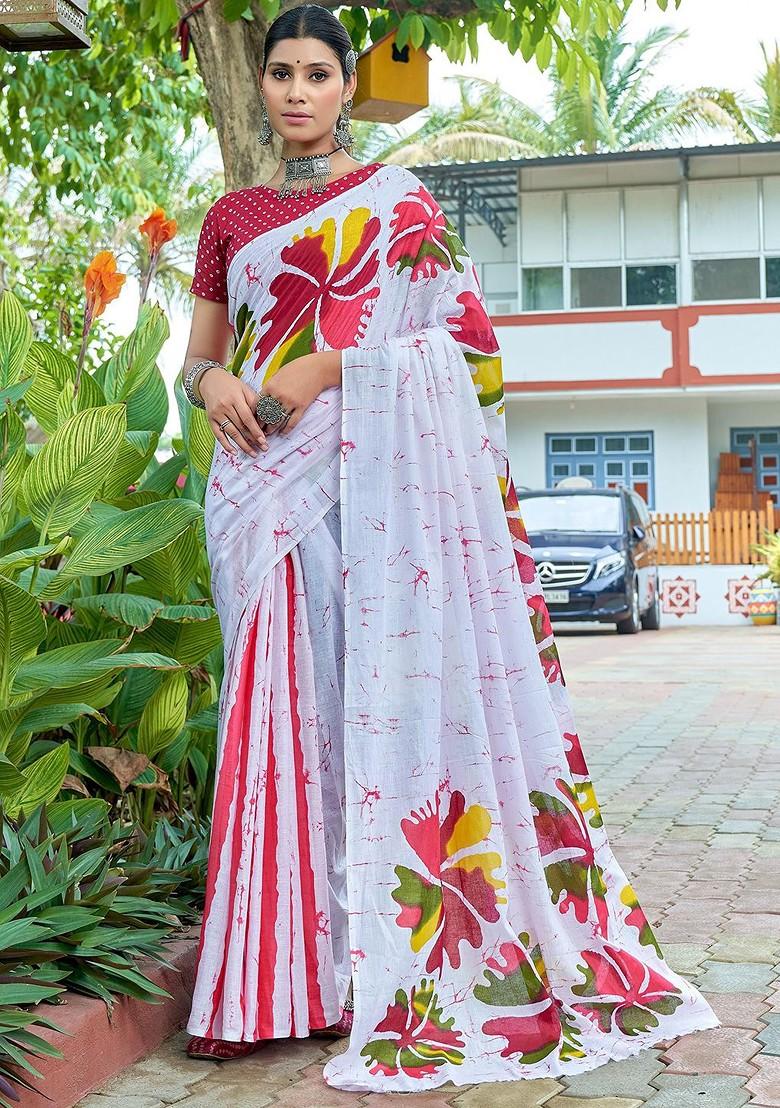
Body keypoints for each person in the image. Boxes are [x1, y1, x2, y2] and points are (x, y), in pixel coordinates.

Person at [180, 3, 718, 1094]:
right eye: (279, 71)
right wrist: (218, 381)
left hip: (361, 476)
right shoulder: (229, 216)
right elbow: (199, 356)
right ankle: (273, 985)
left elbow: (468, 349)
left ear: (346, 87)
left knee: (357, 716)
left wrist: (328, 371)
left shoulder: (403, 205)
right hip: (255, 493)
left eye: (316, 72)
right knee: (276, 725)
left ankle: (361, 972)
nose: (294, 90)